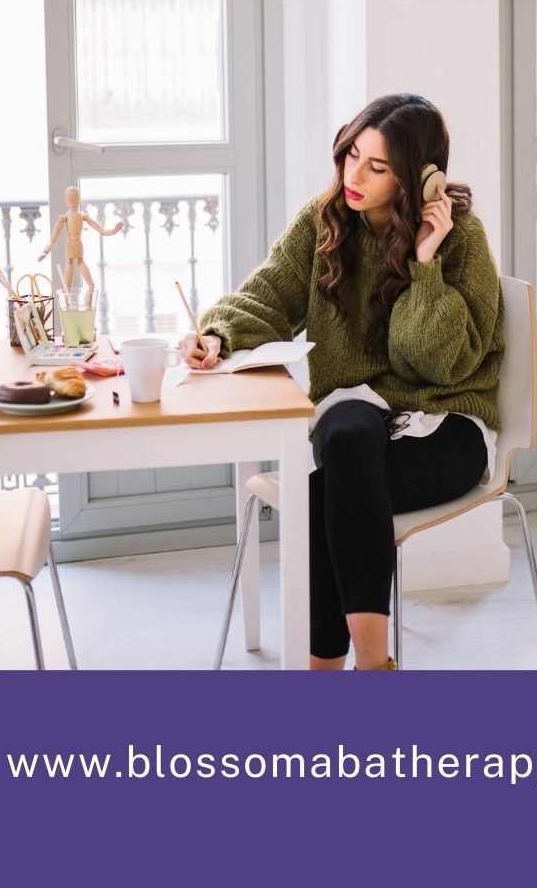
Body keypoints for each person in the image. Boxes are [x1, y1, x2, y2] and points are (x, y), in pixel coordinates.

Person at [182, 93, 502, 669]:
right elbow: (268, 294)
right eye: (352, 154)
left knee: (323, 492)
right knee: (347, 438)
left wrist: (424, 265)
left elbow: (437, 364)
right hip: (358, 412)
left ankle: (332, 671)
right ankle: (373, 671)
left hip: (447, 421)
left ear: (420, 178)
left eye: (377, 167)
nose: (354, 175)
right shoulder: (325, 218)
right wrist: (218, 335)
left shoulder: (461, 239)